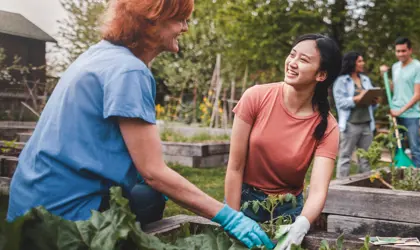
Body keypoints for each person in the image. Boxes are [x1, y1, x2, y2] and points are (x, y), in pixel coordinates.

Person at [5, 1, 273, 249]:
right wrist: (228, 216)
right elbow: (154, 172)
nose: (185, 27)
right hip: (62, 218)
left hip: (28, 203)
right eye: (179, 19)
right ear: (152, 20)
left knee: (147, 195)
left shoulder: (99, 55)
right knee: (152, 197)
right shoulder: (129, 71)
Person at [225, 33, 341, 250]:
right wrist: (233, 218)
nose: (292, 63)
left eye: (304, 60)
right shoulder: (256, 97)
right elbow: (235, 167)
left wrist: (302, 224)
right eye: (292, 55)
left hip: (288, 211)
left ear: (321, 74)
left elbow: (317, 190)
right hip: (243, 201)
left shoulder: (328, 127)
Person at [379, 37, 420, 168]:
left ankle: (419, 178)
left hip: (411, 115)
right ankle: (398, 176)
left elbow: (418, 95)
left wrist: (401, 110)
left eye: (403, 51)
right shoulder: (395, 67)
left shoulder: (418, 67)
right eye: (398, 51)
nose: (400, 54)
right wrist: (384, 76)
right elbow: (395, 88)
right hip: (395, 113)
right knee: (395, 146)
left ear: (410, 50)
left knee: (415, 148)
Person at [333, 51, 379, 178]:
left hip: (367, 124)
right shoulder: (341, 81)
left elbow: (371, 102)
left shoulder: (365, 79)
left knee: (365, 158)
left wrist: (374, 101)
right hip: (350, 125)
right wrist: (356, 99)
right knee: (345, 156)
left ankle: (364, 186)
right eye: (359, 61)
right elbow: (340, 103)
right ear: (352, 63)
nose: (362, 63)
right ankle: (341, 186)